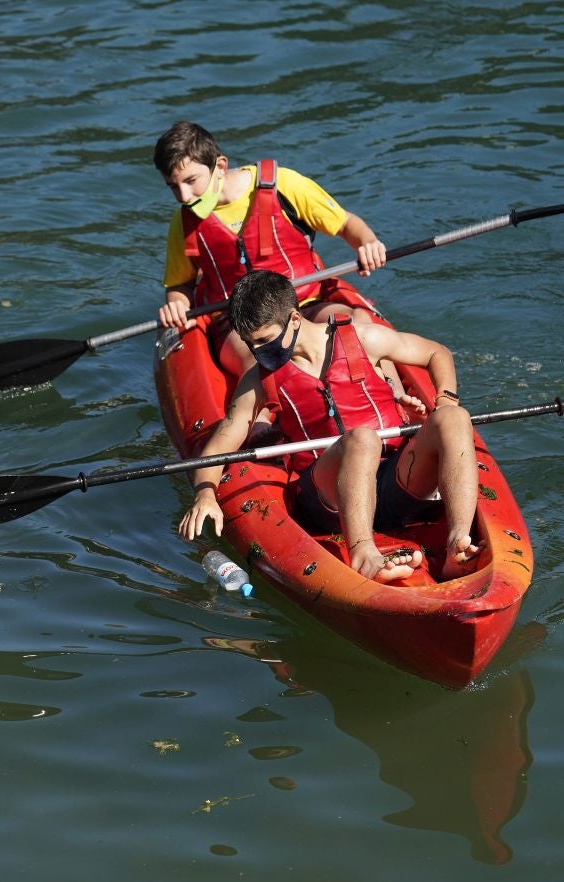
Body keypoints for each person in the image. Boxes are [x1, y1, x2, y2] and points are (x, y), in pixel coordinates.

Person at [178, 270, 481, 584]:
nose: (259, 353)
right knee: (362, 439)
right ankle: (364, 555)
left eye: (265, 341)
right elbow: (221, 442)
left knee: (455, 417)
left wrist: (444, 400)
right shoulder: (259, 380)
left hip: (395, 479)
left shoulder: (363, 338)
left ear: (295, 319)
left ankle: (457, 545)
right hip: (327, 499)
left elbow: (436, 353)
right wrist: (205, 495)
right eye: (251, 345)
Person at [153, 121, 388, 379]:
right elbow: (180, 285)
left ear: (219, 166)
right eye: (173, 186)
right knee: (261, 363)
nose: (184, 196)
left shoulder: (284, 184)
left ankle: (394, 392)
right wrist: (176, 305)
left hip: (306, 304)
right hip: (237, 326)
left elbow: (345, 224)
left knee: (358, 324)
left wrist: (367, 243)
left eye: (190, 181)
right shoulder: (183, 223)